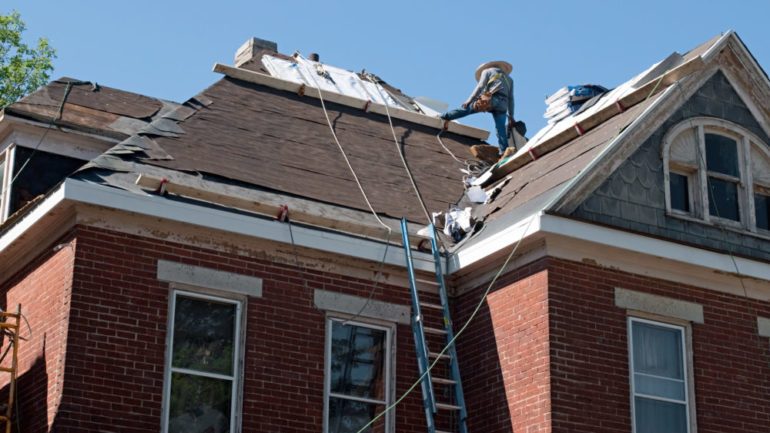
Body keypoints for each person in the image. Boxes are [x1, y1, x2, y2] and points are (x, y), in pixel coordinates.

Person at [440, 60, 515, 155]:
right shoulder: (509, 79)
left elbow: (480, 86)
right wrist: (511, 115)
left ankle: (445, 116)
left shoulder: (487, 71)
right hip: (503, 105)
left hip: (491, 100)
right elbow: (511, 98)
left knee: (468, 108)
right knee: (500, 129)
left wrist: (470, 100)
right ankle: (504, 151)